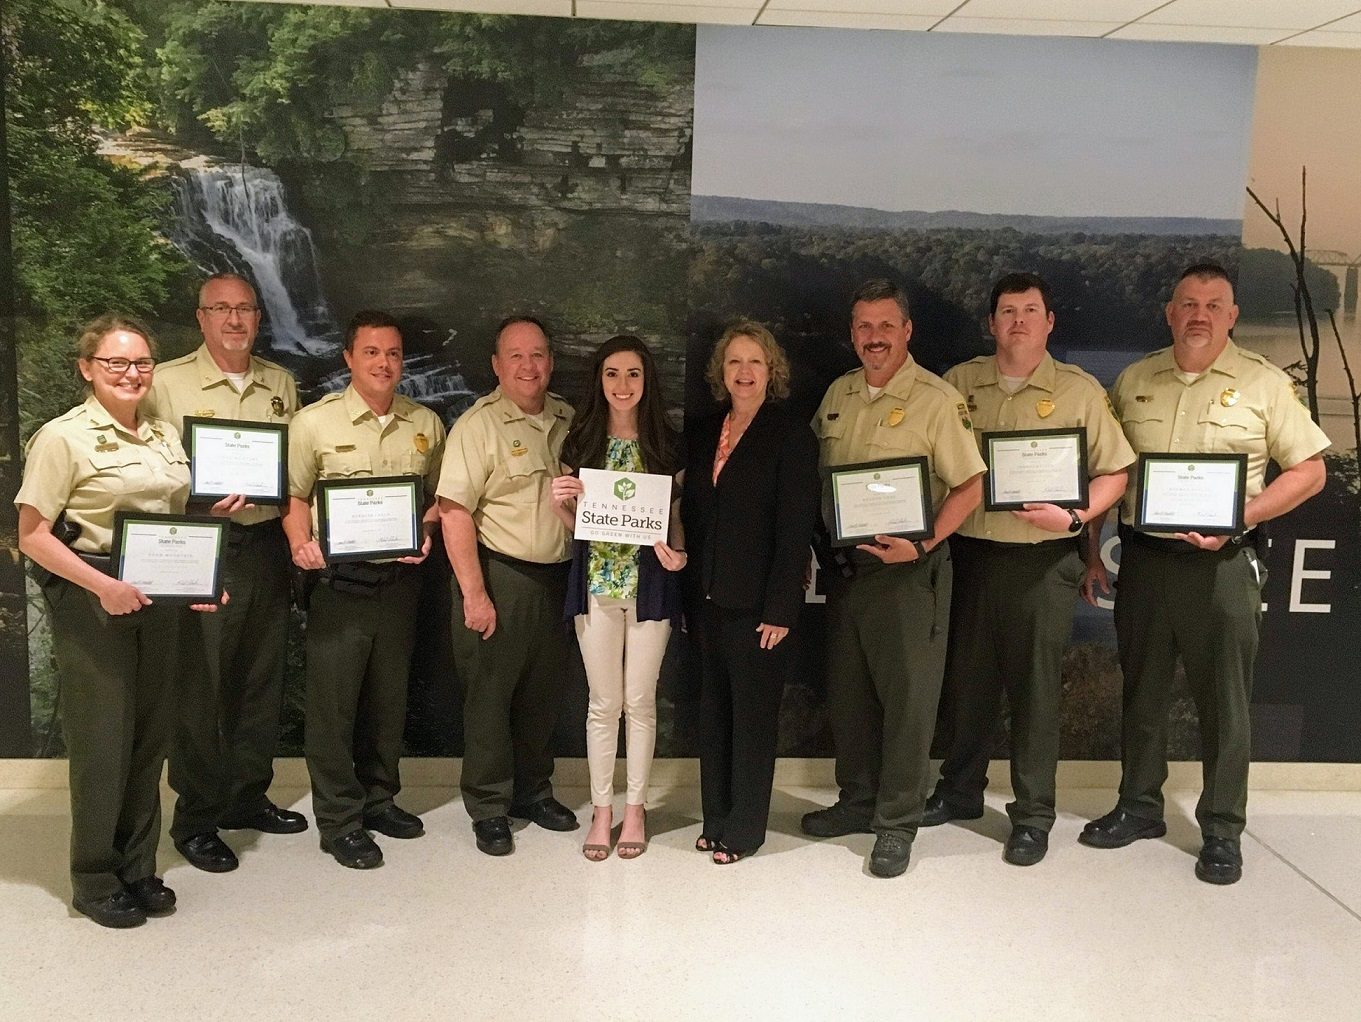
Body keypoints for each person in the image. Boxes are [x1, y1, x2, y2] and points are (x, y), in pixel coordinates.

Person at [1079, 262, 1328, 885]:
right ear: (1170, 312)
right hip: (1145, 561)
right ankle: (1139, 807)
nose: (1200, 313)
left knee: (1225, 705)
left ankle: (1221, 829)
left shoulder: (1264, 384)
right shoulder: (1135, 380)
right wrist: (1090, 550)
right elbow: (1109, 472)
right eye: (1188, 303)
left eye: (1214, 304)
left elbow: (1310, 471)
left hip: (1221, 567)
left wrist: (1241, 516)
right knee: (1142, 693)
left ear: (1232, 315)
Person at [15, 314, 225, 927]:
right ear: (88, 368)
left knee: (150, 736)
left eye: (141, 364)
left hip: (158, 599)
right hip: (94, 597)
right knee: (105, 742)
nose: (131, 374)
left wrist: (200, 579)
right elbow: (31, 535)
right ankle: (94, 876)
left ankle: (138, 867)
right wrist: (103, 586)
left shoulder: (162, 434)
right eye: (116, 363)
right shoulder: (63, 437)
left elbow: (172, 518)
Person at [921, 272, 1135, 866]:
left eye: (1030, 310)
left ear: (1049, 323)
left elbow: (1114, 471)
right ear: (991, 324)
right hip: (968, 555)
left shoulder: (1080, 390)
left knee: (1036, 692)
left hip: (1044, 564)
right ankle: (960, 792)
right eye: (1007, 311)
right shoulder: (957, 384)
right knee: (967, 684)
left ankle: (1033, 814)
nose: (1018, 320)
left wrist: (1075, 517)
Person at [800, 279, 986, 879]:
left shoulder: (935, 400)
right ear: (852, 334)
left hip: (910, 572)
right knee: (849, 695)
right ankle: (857, 802)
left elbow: (971, 485)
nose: (874, 338)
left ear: (907, 331)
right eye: (863, 327)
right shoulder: (837, 395)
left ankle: (897, 823)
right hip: (849, 572)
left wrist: (926, 541)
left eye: (886, 326)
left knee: (909, 701)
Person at [142, 272, 304, 875]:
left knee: (260, 677)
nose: (234, 321)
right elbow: (149, 471)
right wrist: (194, 505)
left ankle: (245, 795)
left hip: (265, 544)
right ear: (201, 317)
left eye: (244, 310)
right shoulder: (166, 384)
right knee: (202, 685)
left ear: (258, 318)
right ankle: (196, 818)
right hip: (202, 543)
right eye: (221, 310)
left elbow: (290, 469)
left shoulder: (280, 383)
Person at [283, 311, 445, 869]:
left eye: (394, 353)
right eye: (372, 352)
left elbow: (434, 500)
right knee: (333, 707)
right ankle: (339, 819)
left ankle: (380, 800)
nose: (384, 363)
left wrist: (424, 531)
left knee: (387, 699)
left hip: (399, 582)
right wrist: (300, 543)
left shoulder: (425, 422)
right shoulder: (313, 424)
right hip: (339, 585)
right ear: (349, 358)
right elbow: (295, 496)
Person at [438, 316, 577, 856]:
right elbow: (453, 513)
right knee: (490, 700)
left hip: (557, 577)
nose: (529, 366)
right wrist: (475, 594)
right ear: (496, 365)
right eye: (516, 356)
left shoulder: (568, 417)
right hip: (500, 575)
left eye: (538, 354)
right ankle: (490, 806)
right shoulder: (477, 426)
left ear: (551, 361)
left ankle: (533, 792)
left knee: (543, 695)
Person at [682, 321, 818, 864]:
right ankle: (715, 816)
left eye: (755, 363)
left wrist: (783, 606)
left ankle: (745, 829)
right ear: (721, 371)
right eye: (735, 362)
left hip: (761, 607)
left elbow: (795, 528)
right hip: (707, 600)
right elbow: (690, 514)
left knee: (753, 720)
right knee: (712, 715)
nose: (744, 372)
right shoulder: (704, 431)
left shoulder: (791, 435)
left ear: (772, 372)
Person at [549, 336, 686, 861]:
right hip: (597, 586)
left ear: (646, 380)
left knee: (640, 702)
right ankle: (602, 809)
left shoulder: (668, 446)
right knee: (603, 704)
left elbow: (676, 523)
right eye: (612, 374)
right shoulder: (580, 444)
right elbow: (576, 528)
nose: (622, 385)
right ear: (598, 381)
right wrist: (558, 503)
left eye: (632, 374)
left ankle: (636, 808)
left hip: (650, 588)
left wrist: (678, 554)